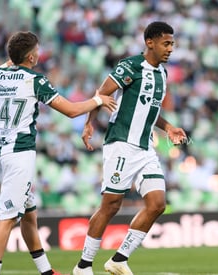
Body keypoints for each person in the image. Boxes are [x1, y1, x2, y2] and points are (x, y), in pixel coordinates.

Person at [0, 31, 117, 275]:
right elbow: (70, 110)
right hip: (19, 154)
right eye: (37, 50)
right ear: (30, 57)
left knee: (29, 214)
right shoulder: (34, 80)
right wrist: (97, 100)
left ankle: (46, 272)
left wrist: (4, 66)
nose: (39, 53)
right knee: (7, 218)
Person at [72, 21, 187, 275]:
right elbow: (102, 94)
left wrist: (168, 127)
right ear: (150, 42)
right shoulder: (131, 66)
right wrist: (89, 123)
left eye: (172, 44)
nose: (170, 49)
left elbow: (149, 109)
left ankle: (119, 259)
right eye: (166, 43)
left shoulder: (162, 74)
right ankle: (83, 266)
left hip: (145, 148)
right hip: (121, 144)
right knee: (111, 205)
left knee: (157, 204)